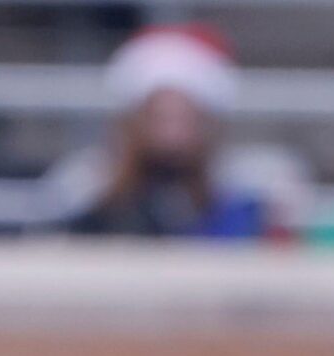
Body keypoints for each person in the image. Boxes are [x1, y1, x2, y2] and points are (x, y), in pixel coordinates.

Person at [52, 25, 291, 239]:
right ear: (134, 123)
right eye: (160, 118)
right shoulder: (93, 191)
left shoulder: (241, 197)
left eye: (183, 118)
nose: (172, 134)